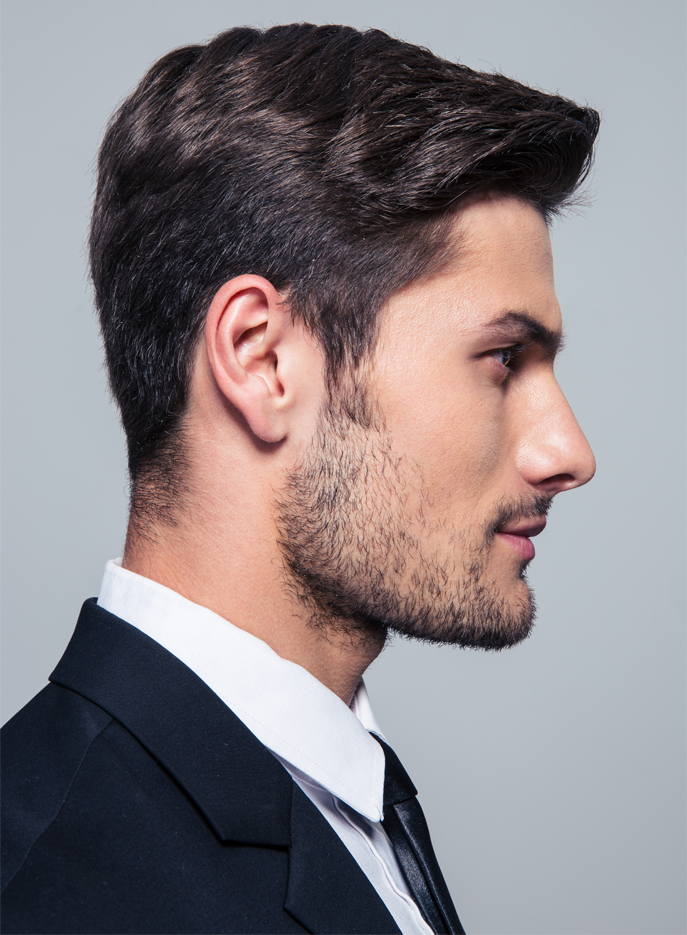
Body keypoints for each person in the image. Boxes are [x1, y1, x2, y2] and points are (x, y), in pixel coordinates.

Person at [0, 23, 598, 935]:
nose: (568, 452)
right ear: (261, 358)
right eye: (502, 356)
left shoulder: (340, 794)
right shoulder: (58, 884)